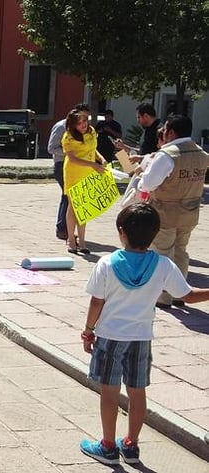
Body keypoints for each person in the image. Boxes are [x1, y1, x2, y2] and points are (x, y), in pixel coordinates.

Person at [79, 203, 209, 465]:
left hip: (110, 337)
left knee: (110, 392)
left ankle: (107, 446)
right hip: (141, 339)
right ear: (156, 233)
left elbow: (96, 303)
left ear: (121, 232)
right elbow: (188, 295)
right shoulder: (163, 265)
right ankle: (131, 445)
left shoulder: (106, 263)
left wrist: (88, 330)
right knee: (138, 392)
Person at [138, 115, 209, 308]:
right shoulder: (202, 154)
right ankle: (181, 294)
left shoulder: (168, 154)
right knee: (181, 252)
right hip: (190, 211)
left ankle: (163, 296)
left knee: (162, 252)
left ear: (171, 132)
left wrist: (143, 176)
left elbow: (148, 183)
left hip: (165, 212)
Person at [62, 109, 105, 254]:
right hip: (74, 173)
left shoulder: (92, 132)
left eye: (84, 121)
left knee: (84, 207)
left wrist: (100, 158)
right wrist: (93, 164)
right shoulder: (68, 137)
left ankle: (82, 241)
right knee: (74, 206)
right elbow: (72, 158)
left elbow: (93, 148)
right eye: (79, 123)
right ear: (73, 125)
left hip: (88, 173)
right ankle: (71, 240)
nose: (83, 125)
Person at [48, 103, 90, 241]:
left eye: (86, 119)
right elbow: (51, 147)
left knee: (70, 198)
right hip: (62, 165)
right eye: (82, 118)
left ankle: (68, 229)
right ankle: (63, 229)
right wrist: (70, 154)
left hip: (78, 167)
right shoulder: (62, 127)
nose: (84, 122)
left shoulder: (85, 131)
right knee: (68, 197)